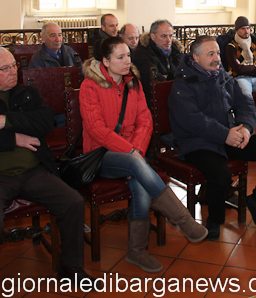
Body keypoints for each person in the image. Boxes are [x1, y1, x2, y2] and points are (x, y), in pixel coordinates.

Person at [0, 47, 95, 297]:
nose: (13, 72)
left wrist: (5, 121)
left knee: (73, 202)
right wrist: (13, 138)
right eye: (5, 68)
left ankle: (70, 267)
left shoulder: (26, 93)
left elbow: (45, 122)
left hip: (32, 172)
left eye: (14, 66)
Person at [80, 36, 207, 273]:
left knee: (140, 184)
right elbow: (96, 129)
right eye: (120, 57)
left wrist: (136, 150)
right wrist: (130, 151)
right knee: (136, 166)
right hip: (100, 155)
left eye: (128, 55)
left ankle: (136, 251)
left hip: (133, 154)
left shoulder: (133, 83)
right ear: (105, 61)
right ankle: (183, 220)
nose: (127, 61)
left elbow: (145, 120)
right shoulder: (90, 86)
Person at [169, 36, 256, 240]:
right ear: (196, 57)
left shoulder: (221, 75)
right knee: (221, 174)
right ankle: (214, 220)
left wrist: (246, 128)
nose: (217, 58)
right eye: (210, 54)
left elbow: (245, 102)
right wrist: (225, 134)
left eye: (217, 53)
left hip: (228, 136)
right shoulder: (183, 82)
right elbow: (192, 119)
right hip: (198, 142)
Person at [132, 19, 183, 107]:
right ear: (153, 36)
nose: (168, 40)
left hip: (177, 98)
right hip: (153, 103)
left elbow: (186, 75)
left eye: (170, 36)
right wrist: (173, 77)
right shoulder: (142, 54)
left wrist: (168, 76)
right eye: (163, 36)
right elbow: (158, 83)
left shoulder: (176, 51)